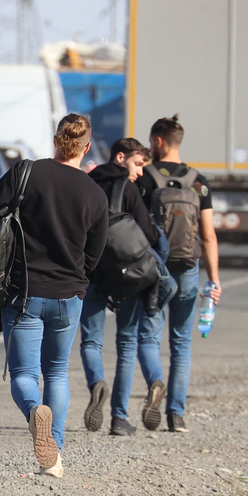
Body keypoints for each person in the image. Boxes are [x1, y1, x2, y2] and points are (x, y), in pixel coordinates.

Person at [0, 114, 108, 477]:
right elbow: (95, 254)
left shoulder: (27, 173)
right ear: (85, 147)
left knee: (23, 373)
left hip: (24, 292)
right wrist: (76, 279)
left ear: (56, 139)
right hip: (69, 295)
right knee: (57, 372)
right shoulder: (94, 194)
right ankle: (55, 456)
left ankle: (35, 411)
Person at [135, 115, 221, 434]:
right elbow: (209, 236)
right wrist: (214, 279)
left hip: (155, 269)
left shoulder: (145, 178)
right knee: (181, 343)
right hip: (188, 267)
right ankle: (176, 415)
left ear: (158, 141)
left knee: (149, 336)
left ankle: (156, 382)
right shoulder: (199, 182)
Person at [78, 138, 161, 436]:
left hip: (91, 274)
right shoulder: (128, 188)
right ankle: (119, 418)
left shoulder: (87, 185)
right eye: (137, 164)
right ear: (121, 157)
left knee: (91, 342)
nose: (140, 172)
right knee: (126, 345)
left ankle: (97, 382)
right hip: (127, 278)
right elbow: (148, 234)